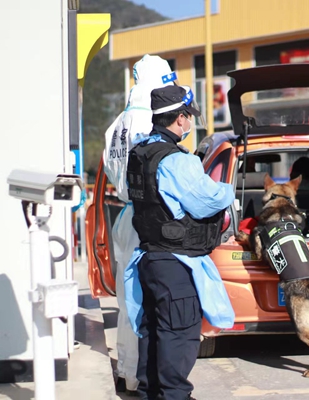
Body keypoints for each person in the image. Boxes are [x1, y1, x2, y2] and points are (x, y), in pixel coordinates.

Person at [124, 85, 235, 400]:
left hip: (148, 257)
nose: (190, 125)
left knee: (153, 332)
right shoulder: (177, 161)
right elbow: (204, 202)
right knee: (179, 333)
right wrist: (228, 191)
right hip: (175, 262)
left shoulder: (140, 153)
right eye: (189, 118)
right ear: (180, 119)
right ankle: (174, 396)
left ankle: (151, 393)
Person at [103, 54, 177, 395]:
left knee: (125, 299)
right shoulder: (148, 120)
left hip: (124, 216)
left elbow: (109, 170)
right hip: (147, 218)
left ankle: (128, 372)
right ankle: (146, 376)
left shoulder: (116, 125)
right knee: (146, 301)